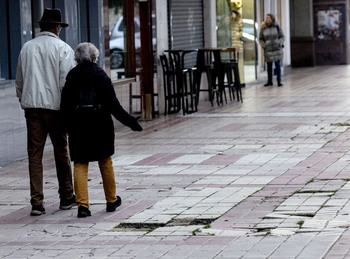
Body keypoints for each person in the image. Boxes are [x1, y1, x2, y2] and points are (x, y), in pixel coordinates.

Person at [60, 42, 143, 218]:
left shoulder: (72, 76)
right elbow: (114, 105)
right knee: (105, 161)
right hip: (100, 123)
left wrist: (65, 126)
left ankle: (83, 206)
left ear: (77, 58)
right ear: (95, 57)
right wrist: (131, 122)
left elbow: (65, 105)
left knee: (80, 163)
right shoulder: (101, 75)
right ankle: (111, 200)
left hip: (78, 123)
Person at [15, 8, 76, 216]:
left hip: (32, 108)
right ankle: (67, 196)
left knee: (34, 155)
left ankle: (37, 202)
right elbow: (65, 84)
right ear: (58, 27)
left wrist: (23, 100)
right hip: (56, 109)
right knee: (61, 152)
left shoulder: (26, 47)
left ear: (41, 26)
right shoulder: (63, 49)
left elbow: (20, 81)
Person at [259, 13, 285, 87]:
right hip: (268, 49)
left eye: (268, 18)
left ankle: (279, 80)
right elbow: (260, 38)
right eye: (266, 18)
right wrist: (264, 45)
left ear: (272, 19)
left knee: (277, 64)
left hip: (277, 49)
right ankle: (269, 81)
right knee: (269, 65)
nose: (266, 19)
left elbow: (282, 36)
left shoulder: (277, 27)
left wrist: (279, 43)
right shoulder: (263, 28)